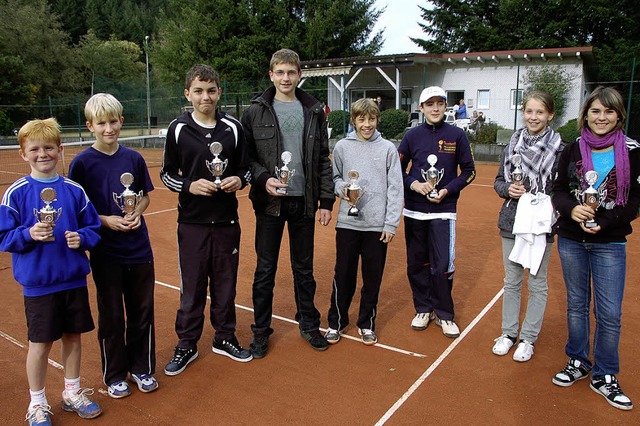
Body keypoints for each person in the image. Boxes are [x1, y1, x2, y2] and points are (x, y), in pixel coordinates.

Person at [0, 118, 102, 424]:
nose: (42, 154)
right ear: (23, 154)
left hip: (72, 279)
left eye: (48, 148)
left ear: (60, 150)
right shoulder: (15, 194)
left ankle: (71, 392)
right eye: (34, 149)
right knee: (40, 344)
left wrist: (82, 238)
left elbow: (94, 228)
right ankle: (38, 402)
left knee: (73, 337)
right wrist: (28, 235)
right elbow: (4, 237)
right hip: (39, 284)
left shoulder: (74, 190)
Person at [241, 48, 335, 357]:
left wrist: (325, 201)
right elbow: (246, 157)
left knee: (303, 269)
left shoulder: (313, 110)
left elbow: (323, 157)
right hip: (269, 203)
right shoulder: (255, 110)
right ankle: (260, 332)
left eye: (291, 72)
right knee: (265, 270)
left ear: (299, 75)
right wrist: (263, 177)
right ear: (271, 74)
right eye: (280, 72)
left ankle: (308, 323)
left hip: (304, 203)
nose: (285, 77)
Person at [160, 64, 253, 375]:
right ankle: (187, 343)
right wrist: (190, 185)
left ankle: (224, 337)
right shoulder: (178, 129)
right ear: (188, 93)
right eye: (198, 91)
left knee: (226, 284)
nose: (205, 96)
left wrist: (239, 181)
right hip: (192, 222)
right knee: (193, 286)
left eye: (211, 90)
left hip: (227, 222)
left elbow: (246, 169)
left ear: (219, 92)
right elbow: (166, 175)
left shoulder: (233, 128)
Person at [551, 86, 639, 411]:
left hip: (609, 242)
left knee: (610, 313)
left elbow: (634, 202)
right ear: (585, 114)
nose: (601, 118)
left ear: (619, 116)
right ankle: (578, 360)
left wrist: (608, 220)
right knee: (576, 305)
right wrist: (571, 210)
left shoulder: (632, 151)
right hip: (572, 239)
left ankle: (605, 374)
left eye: (609, 112)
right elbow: (557, 190)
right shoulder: (571, 149)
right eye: (596, 111)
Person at [68, 93, 157, 399]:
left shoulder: (134, 158)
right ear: (90, 125)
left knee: (142, 311)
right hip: (106, 253)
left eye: (113, 121)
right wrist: (106, 221)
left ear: (121, 120)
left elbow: (144, 195)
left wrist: (137, 212)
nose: (109, 128)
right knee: (112, 316)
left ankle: (141, 368)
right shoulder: (81, 164)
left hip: (139, 249)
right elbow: (79, 209)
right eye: (101, 123)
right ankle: (115, 374)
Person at [397, 86, 476, 338]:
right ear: (421, 108)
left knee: (442, 265)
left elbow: (469, 171)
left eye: (439, 103)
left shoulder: (457, 135)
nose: (434, 108)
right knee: (416, 264)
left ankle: (444, 313)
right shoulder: (411, 136)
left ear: (445, 107)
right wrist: (414, 184)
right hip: (414, 211)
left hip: (444, 211)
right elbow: (397, 168)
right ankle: (423, 308)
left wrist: (448, 190)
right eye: (429, 104)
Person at [324, 98, 403, 346]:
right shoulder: (342, 147)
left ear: (377, 120)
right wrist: (342, 189)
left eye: (371, 119)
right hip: (347, 224)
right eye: (361, 119)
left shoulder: (388, 149)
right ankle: (336, 322)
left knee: (372, 278)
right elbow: (334, 177)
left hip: (377, 227)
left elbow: (395, 188)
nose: (366, 124)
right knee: (343, 275)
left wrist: (390, 224)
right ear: (354, 120)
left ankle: (366, 323)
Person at [491, 92, 563, 362]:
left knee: (537, 283)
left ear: (550, 115)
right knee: (512, 281)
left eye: (540, 112)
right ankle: (508, 334)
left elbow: (562, 188)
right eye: (529, 111)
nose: (533, 117)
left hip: (541, 224)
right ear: (523, 113)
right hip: (511, 221)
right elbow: (499, 181)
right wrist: (508, 188)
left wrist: (544, 205)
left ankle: (528, 339)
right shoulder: (512, 144)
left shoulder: (560, 147)